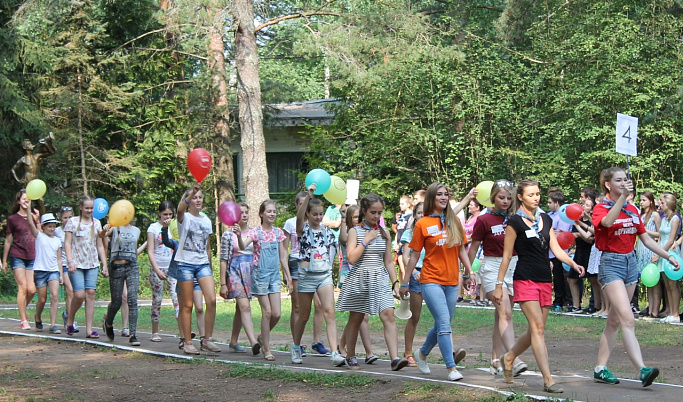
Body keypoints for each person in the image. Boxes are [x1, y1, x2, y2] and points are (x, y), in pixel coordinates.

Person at [491, 179, 584, 394]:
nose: (536, 197)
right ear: (521, 197)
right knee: (538, 329)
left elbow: (556, 249)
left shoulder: (544, 219)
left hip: (545, 279)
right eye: (531, 194)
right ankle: (548, 380)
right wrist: (498, 285)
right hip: (524, 278)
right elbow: (506, 257)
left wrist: (572, 263)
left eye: (538, 194)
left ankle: (509, 357)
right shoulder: (515, 222)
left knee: (536, 329)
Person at [591, 167, 679, 387]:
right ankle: (642, 369)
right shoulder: (601, 208)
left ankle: (600, 369)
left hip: (630, 264)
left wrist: (668, 256)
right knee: (628, 318)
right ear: (608, 185)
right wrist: (621, 199)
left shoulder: (631, 209)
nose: (624, 183)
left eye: (625, 180)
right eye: (618, 180)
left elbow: (646, 239)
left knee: (614, 320)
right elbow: (608, 223)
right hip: (611, 264)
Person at [400, 182, 473, 381]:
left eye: (446, 194)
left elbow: (461, 250)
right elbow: (413, 256)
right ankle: (451, 367)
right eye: (439, 194)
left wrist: (468, 272)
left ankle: (422, 353)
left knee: (444, 321)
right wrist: (405, 282)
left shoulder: (454, 221)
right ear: (432, 198)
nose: (443, 197)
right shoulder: (422, 223)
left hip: (452, 281)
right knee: (443, 323)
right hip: (430, 279)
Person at [337, 193, 409, 371]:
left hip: (380, 278)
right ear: (364, 211)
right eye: (373, 212)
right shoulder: (355, 231)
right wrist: (366, 241)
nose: (376, 216)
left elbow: (388, 261)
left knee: (389, 315)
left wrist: (396, 283)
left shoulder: (384, 233)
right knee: (356, 318)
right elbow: (352, 258)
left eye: (379, 212)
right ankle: (350, 355)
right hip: (360, 278)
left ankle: (395, 358)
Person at [467, 182, 528, 376]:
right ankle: (513, 357)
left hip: (514, 266)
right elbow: (474, 247)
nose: (506, 201)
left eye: (509, 198)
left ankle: (495, 359)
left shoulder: (516, 218)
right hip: (492, 267)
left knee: (501, 315)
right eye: (502, 197)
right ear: (493, 197)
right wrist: (469, 271)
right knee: (505, 313)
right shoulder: (484, 220)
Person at [290, 184, 346, 366]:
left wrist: (344, 218)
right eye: (315, 214)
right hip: (306, 274)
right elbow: (299, 219)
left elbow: (338, 245)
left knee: (329, 311)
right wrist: (308, 196)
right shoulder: (303, 229)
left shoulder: (328, 231)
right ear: (308, 214)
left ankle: (334, 352)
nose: (318, 217)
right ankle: (296, 346)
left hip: (324, 275)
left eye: (321, 214)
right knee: (304, 315)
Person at [240, 199, 293, 361]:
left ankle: (263, 336)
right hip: (260, 276)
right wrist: (237, 235)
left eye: (274, 211)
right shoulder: (256, 232)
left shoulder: (278, 233)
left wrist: (288, 277)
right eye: (269, 211)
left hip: (274, 276)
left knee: (276, 313)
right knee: (267, 312)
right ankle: (267, 348)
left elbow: (283, 257)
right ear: (261, 213)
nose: (272, 214)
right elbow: (243, 247)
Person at [175, 182, 220, 354]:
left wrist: (209, 265)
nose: (198, 200)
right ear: (189, 200)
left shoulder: (207, 220)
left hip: (202, 264)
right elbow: (179, 209)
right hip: (185, 264)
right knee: (187, 305)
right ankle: (187, 342)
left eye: (200, 197)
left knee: (212, 300)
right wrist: (190, 192)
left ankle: (207, 339)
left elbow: (207, 247)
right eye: (195, 197)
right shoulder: (184, 217)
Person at [283, 192, 327, 356]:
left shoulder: (319, 225)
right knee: (298, 308)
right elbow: (284, 249)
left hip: (315, 265)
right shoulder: (291, 223)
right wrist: (286, 272)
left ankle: (317, 341)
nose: (305, 205)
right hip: (297, 263)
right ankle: (297, 343)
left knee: (320, 304)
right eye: (302, 203)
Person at [63, 195, 108, 338]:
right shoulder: (72, 222)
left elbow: (99, 245)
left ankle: (89, 329)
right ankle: (70, 320)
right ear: (81, 207)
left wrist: (104, 264)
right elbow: (67, 243)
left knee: (91, 294)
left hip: (92, 263)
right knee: (79, 294)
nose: (89, 210)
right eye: (87, 208)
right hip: (76, 263)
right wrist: (70, 261)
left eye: (91, 208)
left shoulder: (97, 223)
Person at [338, 204, 376, 364]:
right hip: (349, 276)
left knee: (359, 317)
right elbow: (343, 239)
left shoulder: (366, 232)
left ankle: (346, 347)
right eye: (354, 217)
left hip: (364, 277)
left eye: (359, 216)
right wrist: (342, 218)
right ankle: (367, 352)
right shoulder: (349, 232)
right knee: (359, 316)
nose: (358, 219)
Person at [161, 219, 206, 351]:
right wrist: (164, 228)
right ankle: (184, 338)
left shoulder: (196, 244)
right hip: (182, 278)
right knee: (184, 308)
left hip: (196, 280)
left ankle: (204, 339)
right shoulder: (177, 243)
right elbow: (166, 241)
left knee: (199, 307)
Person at [219, 221, 259, 354]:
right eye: (241, 213)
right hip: (234, 271)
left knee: (240, 308)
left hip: (250, 271)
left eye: (246, 212)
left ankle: (233, 341)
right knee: (244, 306)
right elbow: (224, 259)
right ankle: (254, 342)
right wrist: (223, 284)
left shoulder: (254, 232)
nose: (245, 215)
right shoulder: (228, 234)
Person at [101, 219, 142, 346]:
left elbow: (134, 249)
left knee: (132, 298)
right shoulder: (115, 228)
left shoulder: (136, 230)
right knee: (116, 301)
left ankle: (133, 334)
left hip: (132, 266)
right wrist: (105, 228)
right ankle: (108, 322)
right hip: (116, 266)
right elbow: (102, 235)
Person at [2, 189, 38, 330]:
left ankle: (22, 310)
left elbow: (39, 235)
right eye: (23, 199)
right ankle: (24, 319)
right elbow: (8, 240)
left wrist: (37, 220)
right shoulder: (12, 219)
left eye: (28, 199)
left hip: (32, 256)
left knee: (31, 290)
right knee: (22, 288)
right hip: (17, 255)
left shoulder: (34, 217)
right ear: (18, 201)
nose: (25, 201)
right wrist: (4, 260)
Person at [27, 203, 63, 334]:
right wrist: (28, 209)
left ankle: (53, 324)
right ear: (43, 227)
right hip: (40, 270)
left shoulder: (57, 241)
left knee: (54, 297)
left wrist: (60, 274)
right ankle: (38, 316)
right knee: (42, 299)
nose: (52, 228)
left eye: (54, 226)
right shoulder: (39, 236)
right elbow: (31, 224)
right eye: (49, 226)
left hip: (53, 270)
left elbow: (59, 258)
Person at [147, 201, 179, 342]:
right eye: (165, 214)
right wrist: (156, 269)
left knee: (177, 298)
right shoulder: (153, 228)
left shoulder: (175, 226)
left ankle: (183, 333)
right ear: (159, 213)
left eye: (170, 214)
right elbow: (150, 251)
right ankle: (155, 332)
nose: (167, 217)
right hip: (158, 267)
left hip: (173, 267)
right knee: (157, 300)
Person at [400, 201, 425, 367]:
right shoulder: (410, 233)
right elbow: (405, 256)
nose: (422, 216)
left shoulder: (435, 230)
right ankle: (408, 353)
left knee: (442, 316)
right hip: (417, 277)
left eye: (425, 212)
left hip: (433, 276)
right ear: (414, 215)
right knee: (414, 316)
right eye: (419, 213)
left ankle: (448, 350)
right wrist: (414, 272)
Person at [653, 193, 680, 324]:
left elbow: (670, 240)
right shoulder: (664, 219)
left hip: (670, 252)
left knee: (673, 284)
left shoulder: (675, 219)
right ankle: (670, 312)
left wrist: (660, 253)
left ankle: (675, 313)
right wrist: (656, 250)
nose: (660, 204)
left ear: (668, 204)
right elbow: (661, 237)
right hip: (663, 251)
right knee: (667, 284)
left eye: (662, 203)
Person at [547, 188, 573, 311]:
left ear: (557, 203)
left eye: (550, 202)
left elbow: (562, 235)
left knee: (563, 278)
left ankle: (565, 301)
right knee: (556, 279)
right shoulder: (549, 216)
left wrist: (553, 234)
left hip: (560, 252)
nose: (548, 205)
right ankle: (557, 300)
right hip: (550, 252)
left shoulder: (563, 216)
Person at [635, 191, 660, 318]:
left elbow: (660, 234)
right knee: (647, 282)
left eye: (644, 200)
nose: (641, 202)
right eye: (640, 200)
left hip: (650, 250)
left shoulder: (655, 215)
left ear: (651, 201)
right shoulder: (640, 215)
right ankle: (650, 309)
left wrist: (645, 231)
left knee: (654, 282)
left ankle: (655, 310)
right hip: (641, 250)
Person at [569, 198, 595, 312]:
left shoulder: (592, 221)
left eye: (588, 205)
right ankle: (576, 305)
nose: (584, 207)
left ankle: (595, 305)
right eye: (584, 204)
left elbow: (589, 239)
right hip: (578, 251)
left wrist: (578, 233)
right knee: (571, 278)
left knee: (593, 280)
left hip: (589, 251)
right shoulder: (577, 219)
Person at [55, 206, 79, 332]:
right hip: (62, 264)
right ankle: (71, 320)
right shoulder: (57, 231)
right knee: (70, 290)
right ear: (61, 218)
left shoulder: (76, 229)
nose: (68, 220)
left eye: (70, 217)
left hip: (74, 264)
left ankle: (67, 314)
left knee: (77, 293)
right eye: (65, 217)